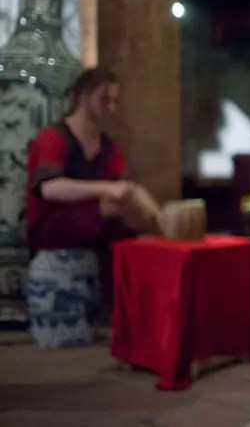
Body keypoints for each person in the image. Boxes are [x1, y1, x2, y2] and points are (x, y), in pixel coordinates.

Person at [26, 68, 163, 299]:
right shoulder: (53, 137)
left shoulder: (107, 147)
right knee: (110, 205)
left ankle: (164, 231)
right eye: (104, 99)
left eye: (115, 101)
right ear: (84, 96)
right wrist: (107, 188)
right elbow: (49, 188)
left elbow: (127, 190)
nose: (111, 108)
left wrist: (154, 218)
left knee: (126, 210)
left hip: (96, 231)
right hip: (51, 229)